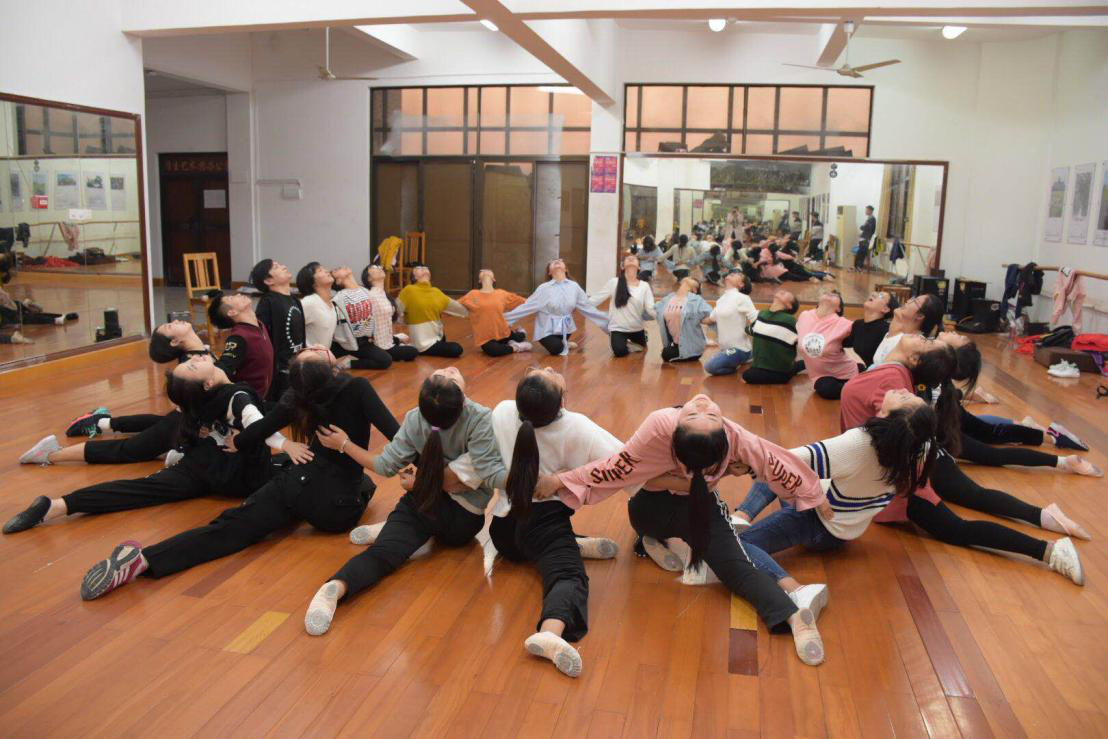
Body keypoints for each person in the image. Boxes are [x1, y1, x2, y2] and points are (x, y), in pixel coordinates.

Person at [74, 347, 400, 601]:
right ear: (330, 368)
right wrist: (346, 446)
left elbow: (256, 431)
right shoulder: (357, 387)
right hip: (335, 510)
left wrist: (236, 442)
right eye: (312, 350)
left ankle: (144, 560)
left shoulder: (295, 396)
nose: (316, 347)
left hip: (296, 483)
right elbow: (397, 438)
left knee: (230, 527)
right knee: (364, 484)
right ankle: (143, 561)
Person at [534, 394, 829, 666]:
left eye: (711, 415)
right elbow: (617, 468)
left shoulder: (731, 436)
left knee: (737, 567)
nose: (702, 404)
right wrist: (560, 481)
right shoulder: (663, 427)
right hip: (652, 508)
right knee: (651, 522)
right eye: (694, 415)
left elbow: (775, 461)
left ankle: (794, 617)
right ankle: (651, 540)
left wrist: (813, 494)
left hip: (695, 511)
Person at [840, 335, 1089, 584]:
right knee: (972, 499)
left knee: (959, 525)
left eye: (927, 342)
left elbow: (891, 438)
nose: (924, 337)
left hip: (900, 481)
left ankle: (1051, 550)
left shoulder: (894, 382)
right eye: (928, 340)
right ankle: (1048, 534)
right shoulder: (896, 372)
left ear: (915, 358)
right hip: (897, 474)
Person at [303, 367, 507, 636]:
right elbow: (476, 476)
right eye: (445, 375)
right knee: (398, 545)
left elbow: (384, 466)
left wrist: (344, 444)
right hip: (461, 523)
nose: (449, 369)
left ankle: (337, 586)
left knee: (382, 555)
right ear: (460, 399)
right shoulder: (480, 418)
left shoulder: (415, 418)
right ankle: (338, 585)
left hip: (422, 502)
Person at [5, 353, 302, 535]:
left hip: (201, 466)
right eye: (193, 365)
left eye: (191, 362)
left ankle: (56, 506)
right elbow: (258, 426)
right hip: (241, 478)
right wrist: (287, 445)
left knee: (141, 489)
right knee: (292, 471)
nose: (195, 359)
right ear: (207, 383)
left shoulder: (197, 399)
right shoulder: (237, 396)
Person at [461, 367, 624, 676]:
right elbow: (621, 462)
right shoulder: (576, 425)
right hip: (544, 523)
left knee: (549, 549)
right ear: (561, 402)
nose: (548, 367)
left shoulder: (503, 410)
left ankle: (575, 545)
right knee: (568, 577)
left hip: (503, 530)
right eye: (547, 373)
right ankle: (550, 633)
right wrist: (566, 480)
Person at [20, 298, 275, 467]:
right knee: (128, 450)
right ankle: (51, 454)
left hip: (185, 422)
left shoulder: (200, 354)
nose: (176, 321)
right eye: (170, 326)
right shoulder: (191, 364)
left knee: (156, 424)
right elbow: (192, 402)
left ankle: (100, 423)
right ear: (175, 342)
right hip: (183, 424)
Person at [731, 390, 939, 589]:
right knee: (778, 469)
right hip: (843, 530)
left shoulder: (859, 442)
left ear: (888, 416)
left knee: (740, 543)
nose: (903, 390)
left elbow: (782, 461)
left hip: (818, 521)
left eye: (906, 398)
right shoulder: (918, 445)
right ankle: (740, 517)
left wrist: (741, 460)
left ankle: (794, 589)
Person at [502, 259, 609, 356]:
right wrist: (503, 320)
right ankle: (562, 344)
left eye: (560, 261)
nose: (557, 261)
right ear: (549, 272)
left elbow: (587, 307)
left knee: (559, 346)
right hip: (546, 329)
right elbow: (527, 306)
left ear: (565, 269)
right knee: (556, 349)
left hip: (565, 328)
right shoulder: (544, 288)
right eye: (553, 262)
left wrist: (608, 323)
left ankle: (564, 343)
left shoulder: (574, 287)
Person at [250, 259, 305, 401]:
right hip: (280, 372)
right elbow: (261, 337)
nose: (284, 266)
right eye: (276, 267)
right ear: (268, 280)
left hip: (296, 366)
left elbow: (301, 334)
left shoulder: (295, 300)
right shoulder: (268, 302)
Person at [330, 265, 404, 369]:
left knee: (386, 360)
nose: (341, 267)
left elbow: (371, 318)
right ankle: (347, 361)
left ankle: (350, 360)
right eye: (336, 270)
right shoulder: (339, 298)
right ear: (338, 281)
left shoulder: (365, 291)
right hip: (347, 343)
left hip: (364, 341)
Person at [589, 255, 655, 357]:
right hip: (618, 328)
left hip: (636, 328)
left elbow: (651, 308)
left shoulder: (644, 286)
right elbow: (596, 299)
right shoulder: (614, 282)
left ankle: (639, 337)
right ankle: (620, 341)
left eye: (634, 259)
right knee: (619, 351)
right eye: (628, 259)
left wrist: (662, 315)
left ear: (639, 267)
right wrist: (578, 304)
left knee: (642, 348)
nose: (631, 259)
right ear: (622, 266)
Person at [797, 291, 858, 400]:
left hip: (847, 373)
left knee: (831, 390)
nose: (830, 294)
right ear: (818, 302)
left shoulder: (845, 324)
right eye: (827, 293)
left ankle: (859, 381)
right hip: (820, 376)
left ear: (838, 308)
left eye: (835, 296)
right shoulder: (804, 316)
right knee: (826, 389)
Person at [396, 266, 467, 358]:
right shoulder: (408, 290)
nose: (424, 269)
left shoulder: (436, 291)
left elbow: (458, 308)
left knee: (453, 346)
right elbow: (396, 311)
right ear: (414, 277)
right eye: (419, 268)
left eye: (426, 268)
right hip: (423, 344)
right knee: (457, 349)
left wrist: (475, 304)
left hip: (438, 337)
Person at [457, 269, 531, 357]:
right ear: (480, 281)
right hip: (485, 338)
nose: (485, 270)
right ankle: (516, 347)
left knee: (520, 337)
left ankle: (521, 333)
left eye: (488, 271)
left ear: (493, 279)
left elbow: (523, 301)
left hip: (503, 332)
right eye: (482, 271)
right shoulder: (472, 294)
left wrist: (538, 301)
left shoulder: (501, 293)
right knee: (493, 350)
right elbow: (454, 306)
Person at [359, 264, 420, 363]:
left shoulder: (383, 294)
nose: (380, 268)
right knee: (413, 351)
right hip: (379, 344)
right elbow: (366, 323)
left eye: (379, 267)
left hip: (387, 339)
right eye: (374, 267)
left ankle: (396, 341)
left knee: (408, 344)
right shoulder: (371, 296)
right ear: (369, 278)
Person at [703, 271, 759, 376]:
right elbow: (710, 319)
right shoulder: (721, 300)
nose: (733, 273)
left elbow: (755, 318)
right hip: (725, 349)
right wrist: (693, 318)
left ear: (741, 284)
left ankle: (745, 357)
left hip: (739, 349)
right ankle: (746, 357)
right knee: (713, 363)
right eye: (732, 273)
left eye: (738, 274)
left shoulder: (743, 298)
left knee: (709, 367)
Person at [742, 289, 800, 385]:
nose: (783, 291)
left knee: (748, 375)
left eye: (787, 294)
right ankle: (797, 366)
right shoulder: (762, 314)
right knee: (749, 374)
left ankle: (793, 368)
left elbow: (802, 340)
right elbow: (753, 330)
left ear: (789, 305)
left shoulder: (790, 320)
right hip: (760, 367)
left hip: (780, 371)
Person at [870, 293, 945, 366]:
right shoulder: (893, 334)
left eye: (915, 301)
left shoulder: (913, 345)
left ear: (920, 316)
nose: (908, 301)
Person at [656, 277, 711, 363]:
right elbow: (653, 310)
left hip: (691, 347)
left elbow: (709, 315)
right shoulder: (669, 298)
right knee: (666, 353)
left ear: (695, 289)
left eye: (693, 280)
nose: (688, 279)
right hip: (676, 345)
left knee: (666, 354)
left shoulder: (696, 300)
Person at [850, 290, 899, 367]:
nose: (873, 295)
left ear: (885, 309)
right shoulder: (858, 324)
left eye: (881, 296)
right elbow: (843, 343)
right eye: (877, 293)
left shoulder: (886, 331)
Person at [297, 261, 338, 348]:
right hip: (310, 355)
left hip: (325, 355)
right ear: (312, 282)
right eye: (320, 270)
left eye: (324, 269)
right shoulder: (309, 302)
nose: (326, 271)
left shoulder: (331, 304)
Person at [853, 205, 876, 271]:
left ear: (870, 211)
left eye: (867, 210)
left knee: (861, 253)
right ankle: (856, 266)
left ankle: (858, 266)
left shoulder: (872, 219)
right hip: (864, 238)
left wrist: (862, 227)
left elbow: (867, 228)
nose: (866, 211)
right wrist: (862, 233)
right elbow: (866, 228)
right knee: (860, 252)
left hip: (866, 239)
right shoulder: (869, 218)